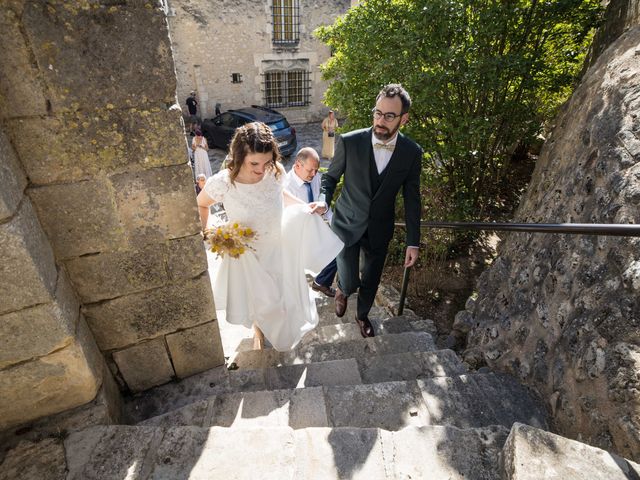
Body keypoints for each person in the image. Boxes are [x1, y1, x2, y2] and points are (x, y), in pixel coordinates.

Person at [197, 122, 343, 351]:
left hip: (277, 246)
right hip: (248, 254)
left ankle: (275, 331)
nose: (261, 168)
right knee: (258, 301)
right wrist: (208, 233)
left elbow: (280, 193)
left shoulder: (275, 171)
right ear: (239, 156)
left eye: (266, 162)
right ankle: (258, 332)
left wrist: (304, 207)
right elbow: (201, 205)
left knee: (280, 300)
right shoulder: (223, 182)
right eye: (254, 163)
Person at [317, 84, 422, 338]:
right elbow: (330, 178)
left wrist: (413, 242)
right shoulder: (350, 141)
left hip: (380, 228)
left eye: (389, 116)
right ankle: (342, 288)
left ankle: (362, 315)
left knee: (372, 280)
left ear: (403, 119)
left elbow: (412, 199)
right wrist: (323, 199)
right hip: (346, 224)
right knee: (351, 280)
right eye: (378, 113)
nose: (381, 121)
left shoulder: (412, 152)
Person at [284, 147, 338, 297]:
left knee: (340, 246)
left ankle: (321, 282)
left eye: (316, 170)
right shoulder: (285, 186)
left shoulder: (317, 178)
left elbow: (324, 206)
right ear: (297, 165)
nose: (314, 174)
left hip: (317, 229)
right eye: (310, 170)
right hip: (296, 236)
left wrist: (334, 225)